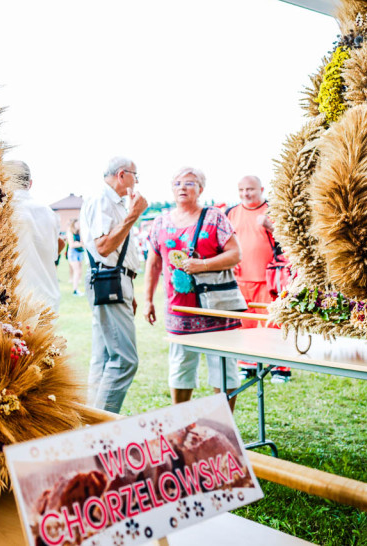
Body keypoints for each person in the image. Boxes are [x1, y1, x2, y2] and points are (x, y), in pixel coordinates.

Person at [144, 167, 243, 410]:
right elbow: (154, 263)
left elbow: (235, 254)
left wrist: (203, 265)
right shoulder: (160, 222)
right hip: (180, 310)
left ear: (200, 189)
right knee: (180, 368)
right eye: (177, 183)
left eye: (189, 183)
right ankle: (181, 423)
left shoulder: (214, 217)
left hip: (217, 309)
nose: (182, 188)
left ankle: (224, 425)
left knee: (223, 369)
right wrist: (148, 300)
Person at [79, 156, 147, 413]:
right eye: (135, 175)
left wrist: (128, 286)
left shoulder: (111, 201)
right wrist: (133, 215)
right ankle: (102, 424)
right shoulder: (102, 200)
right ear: (122, 174)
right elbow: (104, 246)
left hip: (116, 279)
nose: (137, 181)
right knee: (125, 360)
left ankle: (92, 419)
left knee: (105, 357)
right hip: (108, 277)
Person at [7, 161, 61, 311]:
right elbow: (56, 251)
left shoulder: (3, 212)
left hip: (19, 300)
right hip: (49, 298)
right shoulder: (50, 213)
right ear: (30, 183)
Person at [226, 176, 275, 318]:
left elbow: (291, 241)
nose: (245, 194)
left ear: (262, 190)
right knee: (243, 329)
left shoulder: (273, 211)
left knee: (272, 327)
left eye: (250, 189)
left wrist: (271, 227)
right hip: (239, 281)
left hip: (268, 282)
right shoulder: (231, 213)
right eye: (241, 190)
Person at [66, 219, 84, 296]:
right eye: (77, 224)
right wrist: (79, 244)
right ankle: (75, 290)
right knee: (76, 271)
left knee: (79, 271)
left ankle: (77, 289)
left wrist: (78, 243)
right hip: (73, 253)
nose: (79, 225)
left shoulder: (80, 232)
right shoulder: (69, 232)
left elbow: (83, 243)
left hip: (80, 252)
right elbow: (71, 245)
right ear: (74, 224)